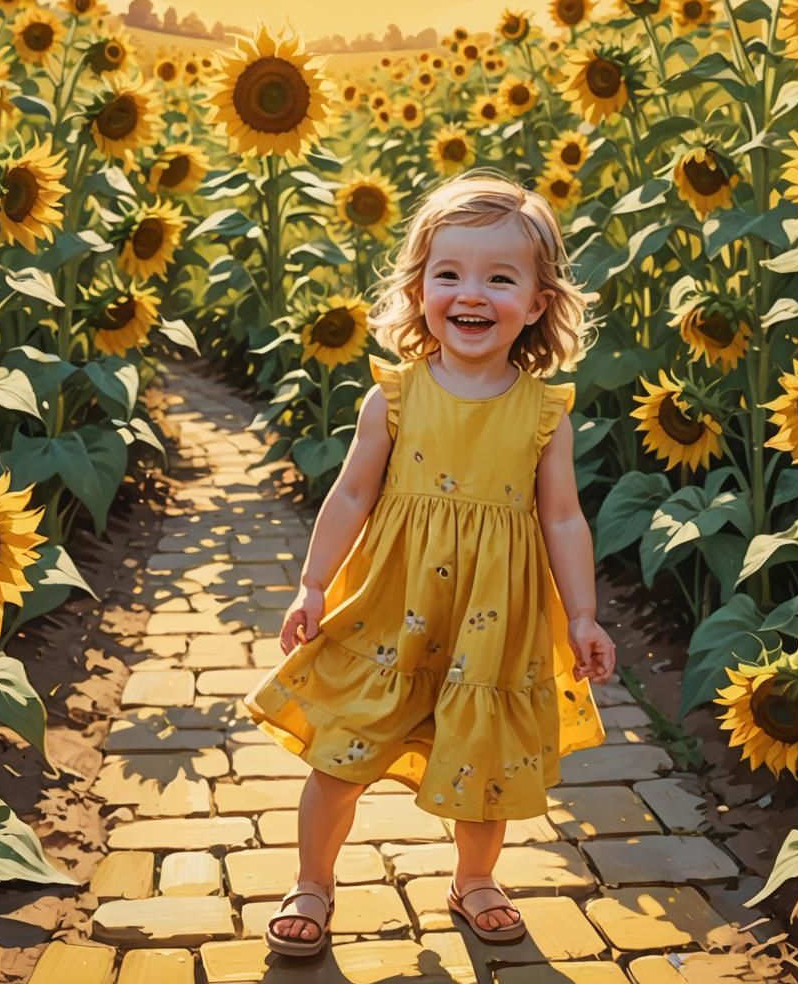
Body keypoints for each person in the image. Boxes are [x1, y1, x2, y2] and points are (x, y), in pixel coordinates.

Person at [242, 169, 615, 957]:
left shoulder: (544, 412)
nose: (471, 294)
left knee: (486, 761)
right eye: (449, 274)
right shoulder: (396, 396)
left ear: (538, 303)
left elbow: (562, 516)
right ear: (419, 291)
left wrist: (582, 615)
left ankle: (475, 879)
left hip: (493, 621)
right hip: (392, 610)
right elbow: (350, 494)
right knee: (342, 754)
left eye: (500, 278)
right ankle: (313, 880)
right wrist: (312, 584)